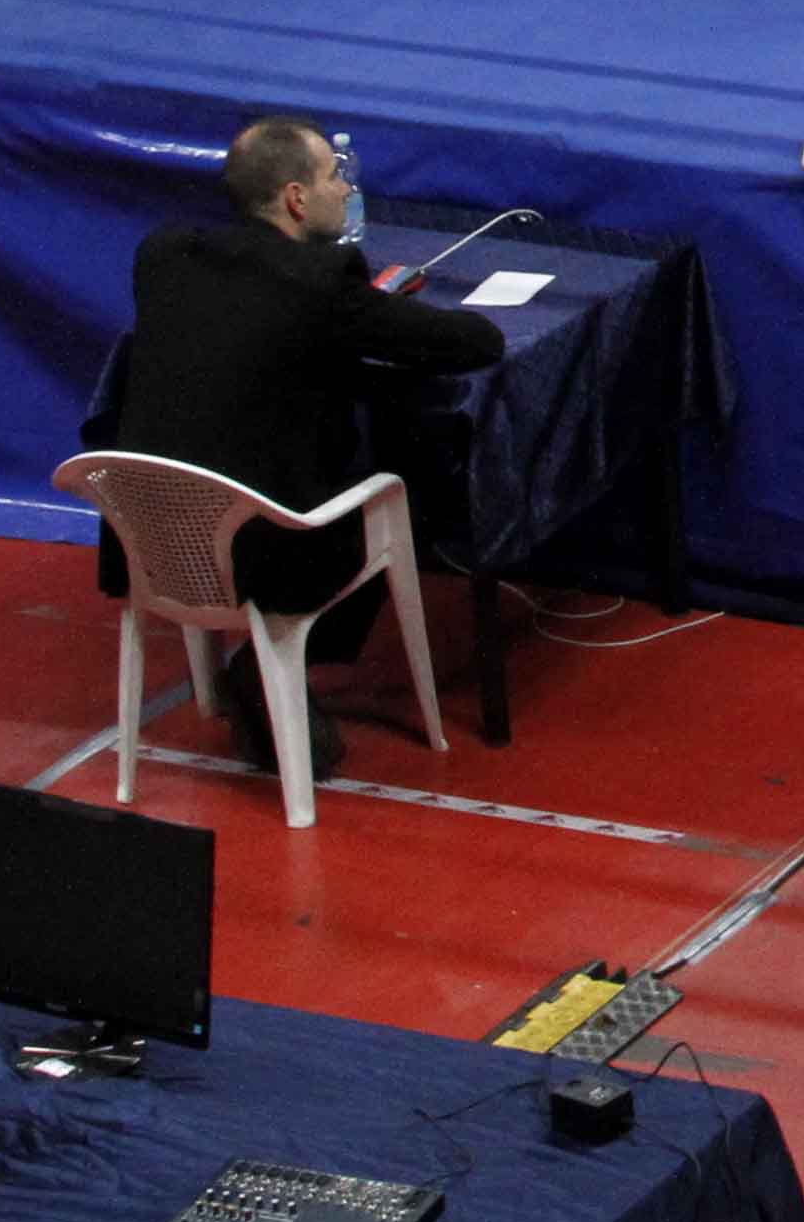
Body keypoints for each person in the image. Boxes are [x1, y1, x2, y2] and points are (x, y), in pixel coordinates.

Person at [92, 117, 509, 781]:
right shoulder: (319, 283)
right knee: (409, 472)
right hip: (265, 555)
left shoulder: (163, 255)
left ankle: (252, 671)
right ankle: (268, 661)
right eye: (333, 177)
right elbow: (474, 344)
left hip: (149, 542)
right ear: (295, 198)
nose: (346, 189)